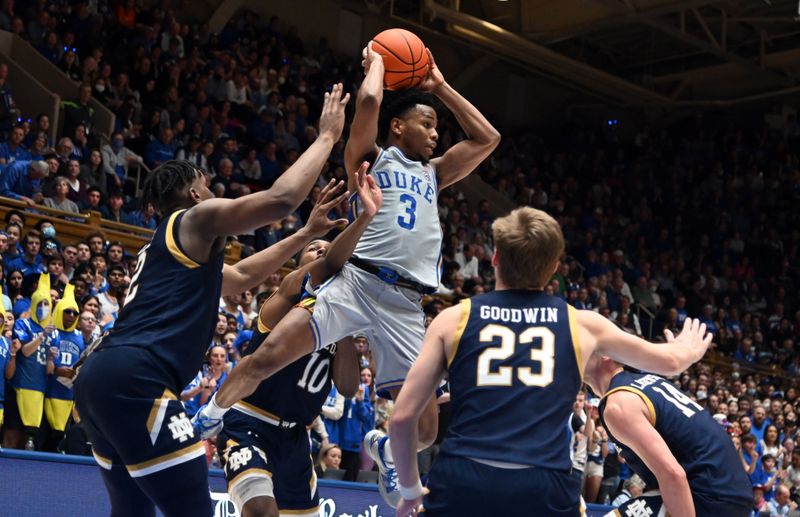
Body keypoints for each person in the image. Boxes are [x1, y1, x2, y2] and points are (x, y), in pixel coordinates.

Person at [193, 42, 501, 508]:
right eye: (428, 123)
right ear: (399, 128)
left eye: (438, 126)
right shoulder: (371, 159)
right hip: (357, 282)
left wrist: (440, 87)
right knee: (269, 355)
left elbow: (487, 139)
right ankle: (211, 415)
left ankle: (381, 446)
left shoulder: (435, 173)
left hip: (406, 303)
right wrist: (377, 61)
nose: (436, 134)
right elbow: (371, 102)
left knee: (426, 428)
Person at [73, 84, 351, 517]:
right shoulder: (195, 218)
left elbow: (240, 277)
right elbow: (281, 199)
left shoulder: (168, 251)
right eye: (210, 184)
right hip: (137, 380)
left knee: (132, 513)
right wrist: (327, 137)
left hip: (99, 381)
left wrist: (306, 233)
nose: (216, 191)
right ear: (195, 195)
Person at [388, 207, 713, 517]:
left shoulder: (453, 319)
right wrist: (688, 347)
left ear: (495, 257)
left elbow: (402, 418)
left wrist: (410, 488)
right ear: (555, 268)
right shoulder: (582, 325)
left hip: (464, 477)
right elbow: (669, 362)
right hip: (542, 485)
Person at [214, 164, 381, 516]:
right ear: (299, 264)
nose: (321, 252)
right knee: (261, 512)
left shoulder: (337, 326)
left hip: (294, 439)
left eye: (325, 248)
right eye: (313, 249)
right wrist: (361, 221)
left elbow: (348, 388)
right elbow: (332, 264)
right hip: (248, 421)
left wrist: (347, 324)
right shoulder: (285, 295)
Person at [581, 353, 753, 517]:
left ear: (605, 355)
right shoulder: (648, 381)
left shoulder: (618, 404)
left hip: (709, 498)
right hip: (732, 492)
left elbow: (673, 474)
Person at [43, 284, 84, 451]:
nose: (72, 315)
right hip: (49, 389)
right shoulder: (51, 332)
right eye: (68, 311)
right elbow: (42, 361)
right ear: (59, 310)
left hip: (68, 393)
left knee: (59, 438)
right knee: (45, 437)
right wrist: (56, 369)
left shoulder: (79, 336)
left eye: (75, 313)